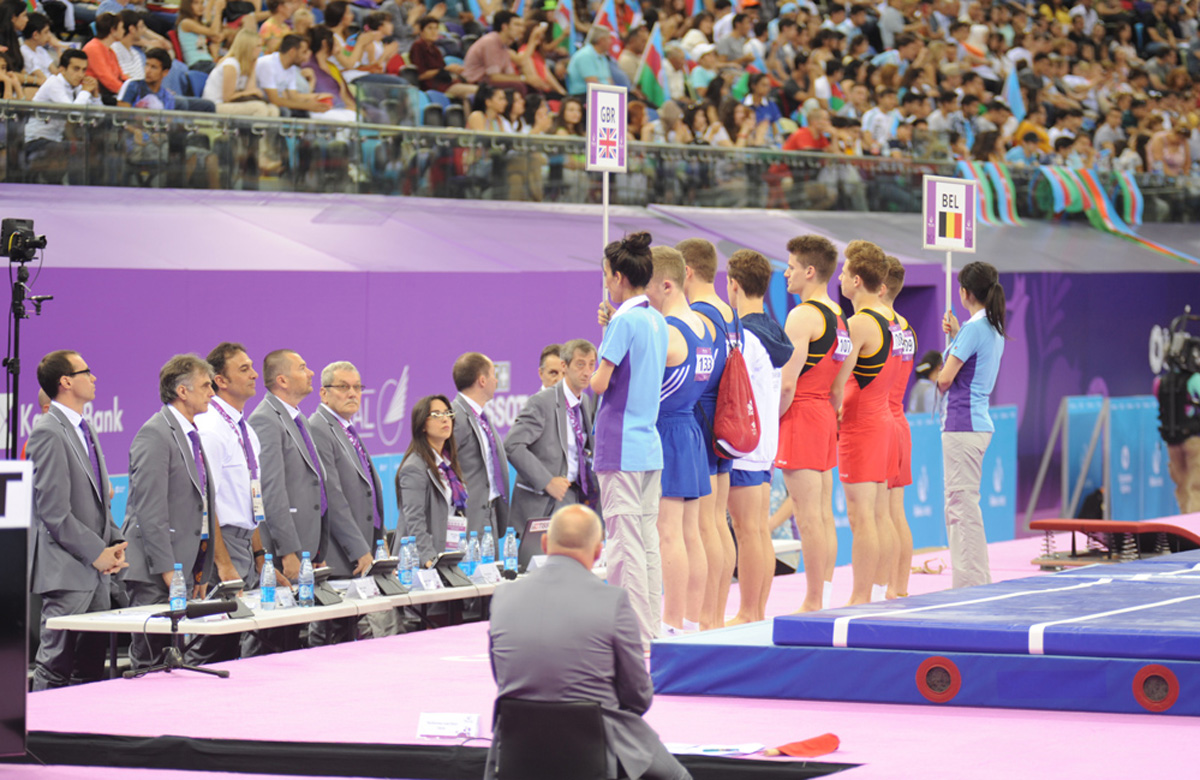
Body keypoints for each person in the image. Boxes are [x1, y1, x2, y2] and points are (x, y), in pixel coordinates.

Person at [484, 504, 691, 780]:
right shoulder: (613, 601)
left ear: (545, 543)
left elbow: (503, 678)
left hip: (516, 746)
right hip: (595, 742)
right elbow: (638, 696)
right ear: (597, 551)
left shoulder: (503, 596)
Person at [122, 354, 233, 670]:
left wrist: (199, 568)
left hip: (181, 569)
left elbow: (198, 508)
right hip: (153, 572)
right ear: (182, 391)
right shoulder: (155, 434)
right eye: (205, 385)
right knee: (150, 661)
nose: (212, 392)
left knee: (172, 659)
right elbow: (149, 510)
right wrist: (170, 571)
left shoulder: (190, 434)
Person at [28, 351, 127, 690]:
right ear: (66, 382)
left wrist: (114, 542)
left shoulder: (84, 428)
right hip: (68, 572)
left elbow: (98, 501)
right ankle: (39, 740)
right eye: (87, 372)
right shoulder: (48, 432)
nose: (94, 377)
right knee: (56, 666)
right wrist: (96, 552)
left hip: (95, 571)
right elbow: (54, 512)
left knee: (90, 670)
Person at [591, 231, 669, 649]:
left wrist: (593, 365)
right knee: (647, 542)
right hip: (648, 444)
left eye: (606, 276)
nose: (606, 284)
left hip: (620, 444)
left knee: (623, 544)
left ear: (619, 277)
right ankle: (651, 625)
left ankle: (634, 636)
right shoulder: (656, 318)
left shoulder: (623, 321)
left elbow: (600, 383)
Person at [776, 235, 847, 612]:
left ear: (809, 270)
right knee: (821, 513)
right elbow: (839, 385)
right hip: (823, 413)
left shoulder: (802, 315)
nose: (785, 273)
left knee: (808, 515)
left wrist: (773, 419)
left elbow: (788, 381)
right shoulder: (839, 317)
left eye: (790, 266)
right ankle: (826, 595)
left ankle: (813, 599)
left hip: (801, 412)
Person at [645, 246, 712, 636]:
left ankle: (670, 620)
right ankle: (690, 618)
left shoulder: (669, 331)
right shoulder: (703, 325)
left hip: (668, 429)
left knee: (667, 533)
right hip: (690, 429)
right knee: (691, 533)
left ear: (667, 285)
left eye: (648, 290)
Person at [725, 249, 792, 624]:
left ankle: (750, 610)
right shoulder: (774, 328)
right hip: (764, 439)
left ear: (733, 284)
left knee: (748, 530)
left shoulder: (744, 335)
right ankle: (757, 608)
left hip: (744, 443)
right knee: (757, 531)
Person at [189, 342, 267, 664]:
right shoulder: (210, 428)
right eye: (244, 368)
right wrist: (221, 563)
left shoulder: (245, 429)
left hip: (244, 542)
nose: (254, 374)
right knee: (210, 646)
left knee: (234, 646)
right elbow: (208, 504)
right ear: (220, 380)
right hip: (223, 546)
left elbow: (252, 497)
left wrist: (260, 554)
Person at [308, 360, 397, 643]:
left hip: (360, 553)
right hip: (339, 553)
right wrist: (359, 548)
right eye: (344, 387)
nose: (353, 393)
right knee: (330, 636)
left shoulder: (344, 428)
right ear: (323, 393)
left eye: (357, 387)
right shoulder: (319, 428)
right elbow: (332, 497)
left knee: (348, 636)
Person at [830, 240, 896, 606]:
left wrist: (829, 409)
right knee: (877, 515)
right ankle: (878, 590)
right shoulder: (890, 316)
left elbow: (839, 383)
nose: (839, 277)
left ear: (856, 280)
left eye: (843, 273)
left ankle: (860, 596)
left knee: (861, 518)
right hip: (882, 417)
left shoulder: (857, 323)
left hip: (861, 423)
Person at [677, 237, 737, 631]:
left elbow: (701, 372)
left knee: (702, 526)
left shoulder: (698, 314)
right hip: (724, 417)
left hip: (701, 415)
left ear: (686, 272)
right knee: (717, 520)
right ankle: (713, 615)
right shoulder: (730, 313)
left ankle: (704, 616)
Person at [248, 349, 329, 636]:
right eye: (303, 367)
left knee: (296, 639)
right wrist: (289, 551)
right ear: (282, 379)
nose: (311, 373)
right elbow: (272, 492)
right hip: (284, 554)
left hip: (306, 547)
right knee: (273, 640)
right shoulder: (266, 420)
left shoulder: (297, 419)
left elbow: (314, 488)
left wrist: (317, 548)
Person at [939, 262, 1007, 589]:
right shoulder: (991, 327)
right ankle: (977, 580)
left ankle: (969, 586)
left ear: (965, 293)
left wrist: (952, 344)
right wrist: (955, 335)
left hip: (963, 424)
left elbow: (944, 379)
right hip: (976, 423)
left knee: (961, 508)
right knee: (965, 505)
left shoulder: (973, 330)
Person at [505, 339, 600, 536]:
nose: (587, 372)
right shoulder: (542, 401)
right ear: (565, 366)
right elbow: (512, 445)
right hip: (545, 501)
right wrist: (547, 481)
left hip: (577, 497)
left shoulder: (585, 401)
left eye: (591, 365)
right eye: (580, 364)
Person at [396, 394, 468, 569]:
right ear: (422, 425)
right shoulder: (414, 467)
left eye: (447, 413)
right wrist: (429, 559)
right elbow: (414, 520)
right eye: (436, 415)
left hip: (449, 555)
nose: (445, 419)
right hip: (424, 563)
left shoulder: (448, 464)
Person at [882, 256, 915, 600]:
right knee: (897, 512)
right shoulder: (906, 327)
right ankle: (899, 587)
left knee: (881, 515)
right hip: (899, 420)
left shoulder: (876, 325)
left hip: (881, 422)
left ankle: (885, 587)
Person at [451, 352, 510, 537]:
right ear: (482, 381)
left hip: (490, 511)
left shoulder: (480, 416)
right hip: (470, 517)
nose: (496, 381)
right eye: (494, 376)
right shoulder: (456, 417)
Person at [202, 27, 281, 116]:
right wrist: (250, 92)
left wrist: (253, 67)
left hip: (233, 103)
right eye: (258, 46)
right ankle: (252, 130)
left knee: (273, 109)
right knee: (259, 108)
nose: (261, 50)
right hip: (217, 104)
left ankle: (264, 130)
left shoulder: (247, 64)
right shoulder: (231, 64)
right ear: (248, 47)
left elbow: (250, 90)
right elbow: (227, 97)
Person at [410, 14, 477, 99]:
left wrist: (455, 70)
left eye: (436, 28)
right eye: (430, 28)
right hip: (435, 86)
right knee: (476, 91)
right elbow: (421, 75)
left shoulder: (435, 49)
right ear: (421, 31)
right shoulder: (417, 46)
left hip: (447, 83)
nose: (434, 32)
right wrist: (446, 69)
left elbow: (443, 70)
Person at [462, 9, 526, 91]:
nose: (522, 30)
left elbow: (510, 74)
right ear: (504, 27)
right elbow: (494, 77)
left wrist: (524, 79)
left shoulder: (504, 46)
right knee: (518, 86)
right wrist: (524, 79)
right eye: (517, 25)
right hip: (476, 82)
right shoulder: (491, 41)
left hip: (488, 82)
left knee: (526, 86)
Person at [566, 25, 614, 95]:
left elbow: (609, 80)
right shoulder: (585, 55)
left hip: (602, 93)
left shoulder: (602, 56)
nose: (611, 42)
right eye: (609, 39)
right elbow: (593, 84)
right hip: (584, 95)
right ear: (601, 40)